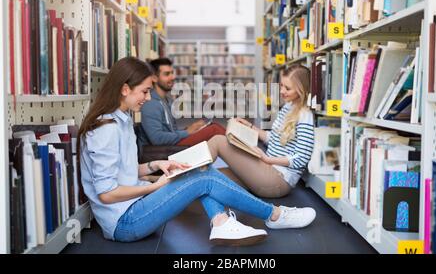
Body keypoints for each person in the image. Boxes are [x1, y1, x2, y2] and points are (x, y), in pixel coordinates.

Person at [77, 57, 316, 245]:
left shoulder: (121, 120)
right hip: (126, 222)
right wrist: (155, 186)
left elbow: (124, 170)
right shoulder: (105, 128)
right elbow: (106, 194)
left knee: (201, 169)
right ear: (125, 89)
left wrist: (154, 165)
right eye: (145, 91)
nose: (148, 98)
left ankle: (221, 221)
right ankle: (274, 216)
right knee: (203, 175)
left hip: (136, 204)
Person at [207, 64, 315, 198]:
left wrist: (267, 159)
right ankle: (180, 181)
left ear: (301, 90)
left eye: (287, 88)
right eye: (281, 85)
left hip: (278, 180)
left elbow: (301, 158)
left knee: (218, 141)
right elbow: (273, 138)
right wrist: (249, 126)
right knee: (210, 177)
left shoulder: (305, 115)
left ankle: (179, 173)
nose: (282, 91)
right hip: (266, 169)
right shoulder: (288, 107)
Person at [137, 58, 226, 147]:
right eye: (167, 74)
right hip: (165, 150)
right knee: (214, 130)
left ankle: (236, 140)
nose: (173, 77)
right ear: (154, 78)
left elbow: (172, 131)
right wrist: (187, 132)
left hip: (171, 144)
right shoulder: (151, 103)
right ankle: (237, 141)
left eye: (172, 73)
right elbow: (157, 139)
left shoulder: (167, 100)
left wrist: (190, 129)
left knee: (212, 127)